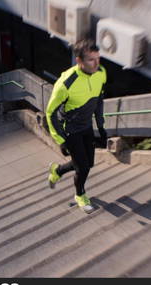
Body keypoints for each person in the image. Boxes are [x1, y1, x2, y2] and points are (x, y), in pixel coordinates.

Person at [46, 39, 107, 214]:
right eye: (91, 60)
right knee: (84, 167)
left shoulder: (100, 73)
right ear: (79, 61)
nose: (97, 64)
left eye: (98, 58)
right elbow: (50, 113)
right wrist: (61, 140)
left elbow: (99, 100)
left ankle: (57, 170)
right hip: (70, 130)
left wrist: (101, 127)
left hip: (86, 126)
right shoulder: (65, 84)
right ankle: (80, 195)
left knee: (88, 163)